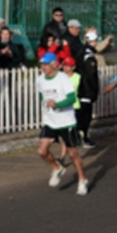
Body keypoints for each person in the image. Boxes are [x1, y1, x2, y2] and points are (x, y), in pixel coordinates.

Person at [36, 53, 88, 196]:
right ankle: (57, 168)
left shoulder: (63, 78)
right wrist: (48, 106)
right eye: (41, 64)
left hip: (66, 121)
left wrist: (57, 104)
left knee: (72, 153)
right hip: (50, 121)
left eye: (46, 64)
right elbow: (41, 95)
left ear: (54, 64)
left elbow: (72, 97)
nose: (43, 67)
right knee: (41, 151)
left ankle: (82, 179)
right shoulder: (40, 80)